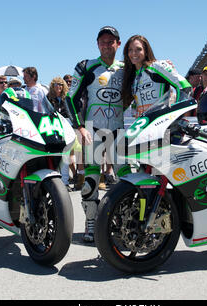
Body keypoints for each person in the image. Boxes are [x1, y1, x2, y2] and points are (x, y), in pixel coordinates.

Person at [66, 26, 131, 243]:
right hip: (93, 130)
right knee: (91, 179)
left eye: (110, 41)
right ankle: (91, 222)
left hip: (119, 130)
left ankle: (123, 220)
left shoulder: (128, 67)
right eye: (102, 41)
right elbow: (70, 98)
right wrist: (80, 127)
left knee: (126, 178)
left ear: (118, 44)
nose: (106, 44)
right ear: (97, 44)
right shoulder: (86, 66)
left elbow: (149, 75)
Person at [121, 35, 192, 119]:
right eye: (130, 50)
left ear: (146, 51)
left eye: (138, 49)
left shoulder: (157, 66)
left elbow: (185, 86)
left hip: (161, 126)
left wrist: (176, 116)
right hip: (141, 125)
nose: (133, 53)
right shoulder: (131, 76)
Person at [47, 77, 76, 190]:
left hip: (67, 126)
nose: (58, 86)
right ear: (52, 86)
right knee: (54, 155)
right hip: (52, 127)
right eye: (56, 84)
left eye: (60, 84)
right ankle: (55, 181)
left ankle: (64, 181)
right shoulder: (48, 98)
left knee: (66, 154)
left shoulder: (67, 98)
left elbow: (71, 112)